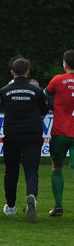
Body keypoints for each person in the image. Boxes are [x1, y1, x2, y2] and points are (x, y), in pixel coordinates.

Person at [0, 57, 49, 222]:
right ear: (28, 72)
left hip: (12, 135)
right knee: (31, 170)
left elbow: (4, 105)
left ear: (12, 72)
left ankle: (11, 207)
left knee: (11, 171)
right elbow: (44, 109)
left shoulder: (4, 91)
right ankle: (31, 196)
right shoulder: (37, 92)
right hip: (32, 134)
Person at [45, 50, 74, 217]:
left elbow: (44, 95)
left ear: (65, 64)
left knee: (57, 167)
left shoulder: (58, 79)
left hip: (60, 132)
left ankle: (58, 206)